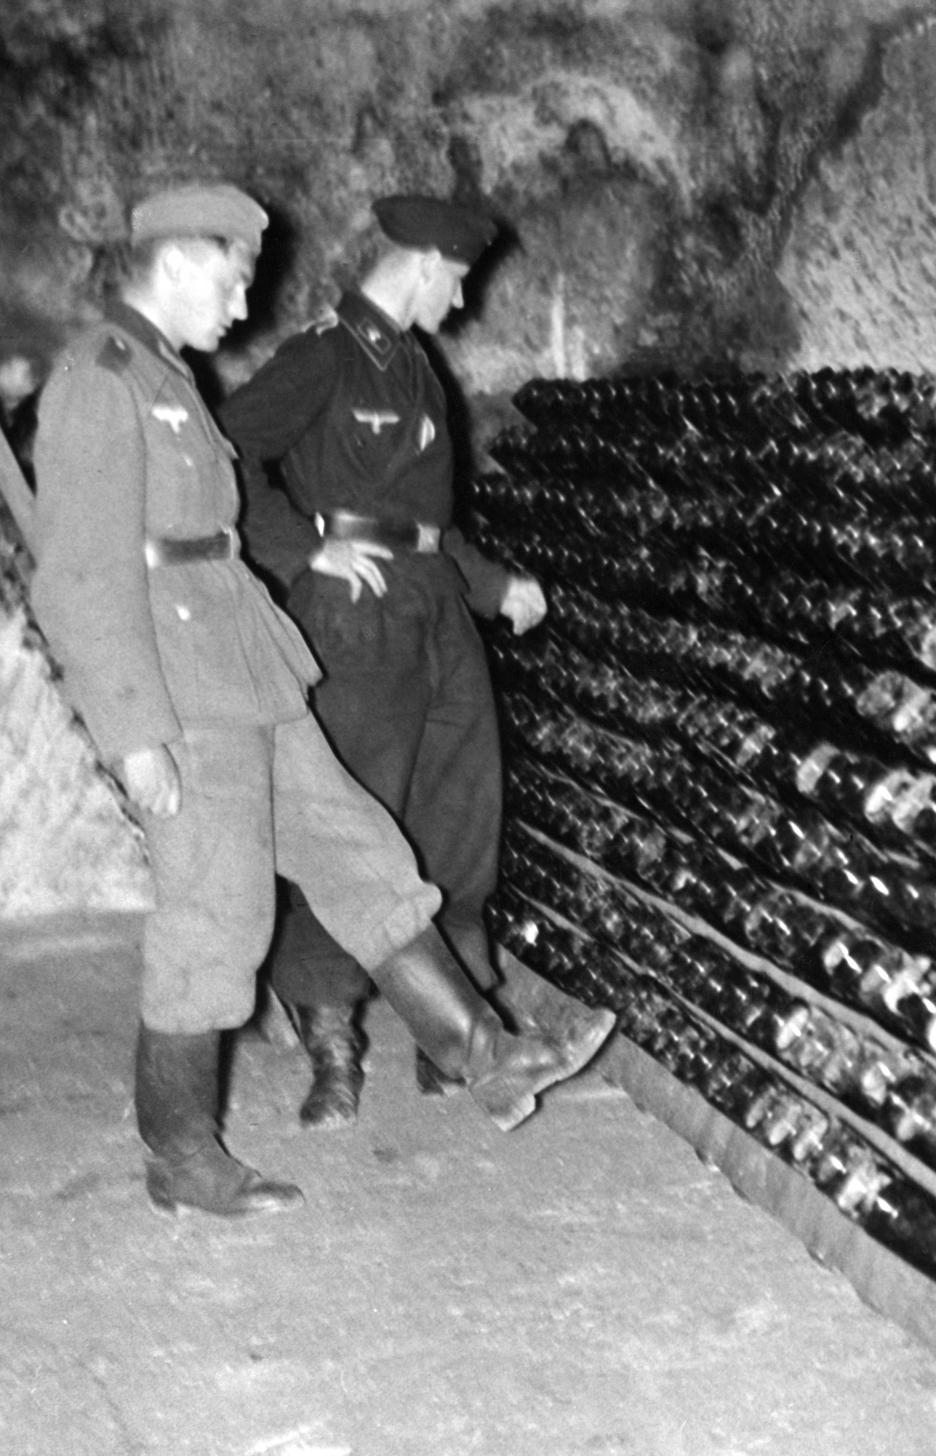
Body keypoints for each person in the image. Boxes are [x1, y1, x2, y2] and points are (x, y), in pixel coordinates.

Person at [29, 182, 612, 1219]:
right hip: (180, 683)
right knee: (218, 913)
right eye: (231, 277)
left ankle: (482, 1052)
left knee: (360, 850)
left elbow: (217, 535)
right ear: (176, 261)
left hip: (248, 661)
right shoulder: (100, 379)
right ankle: (180, 1153)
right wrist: (134, 732)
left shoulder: (166, 371)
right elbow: (79, 577)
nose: (243, 302)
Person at [221, 195, 546, 1129]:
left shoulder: (416, 365)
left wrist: (494, 586)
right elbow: (225, 453)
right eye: (459, 282)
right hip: (355, 624)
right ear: (425, 265)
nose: (461, 301)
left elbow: (426, 522)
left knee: (458, 817)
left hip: (436, 612)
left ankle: (457, 1040)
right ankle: (333, 1048)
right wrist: (301, 549)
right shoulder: (323, 356)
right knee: (351, 828)